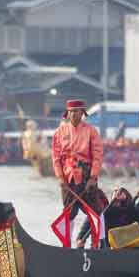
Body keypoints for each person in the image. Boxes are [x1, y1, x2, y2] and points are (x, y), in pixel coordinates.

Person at [51, 99, 105, 237]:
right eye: (72, 111)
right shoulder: (59, 132)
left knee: (96, 211)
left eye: (77, 111)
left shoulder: (91, 131)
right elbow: (56, 158)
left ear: (82, 113)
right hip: (67, 178)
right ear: (67, 113)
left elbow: (97, 155)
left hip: (87, 175)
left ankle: (99, 242)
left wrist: (93, 177)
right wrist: (60, 178)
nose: (74, 114)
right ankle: (66, 244)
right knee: (69, 212)